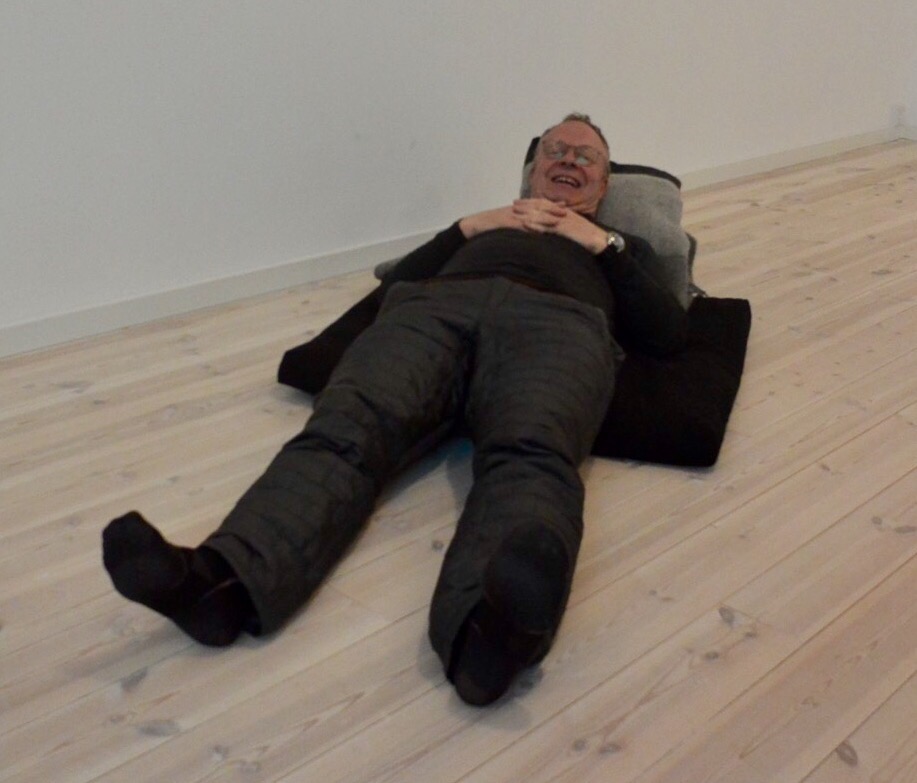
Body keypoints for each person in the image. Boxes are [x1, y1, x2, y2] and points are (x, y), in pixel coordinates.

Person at [102, 113, 687, 706]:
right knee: (345, 429)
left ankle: (487, 634)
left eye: (586, 157)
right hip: (433, 311)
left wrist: (602, 244)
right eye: (556, 150)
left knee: (531, 455)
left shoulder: (618, 247)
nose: (568, 161)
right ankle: (221, 587)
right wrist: (471, 227)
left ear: (603, 185)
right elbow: (390, 285)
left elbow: (666, 330)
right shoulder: (487, 224)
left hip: (557, 323)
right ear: (533, 171)